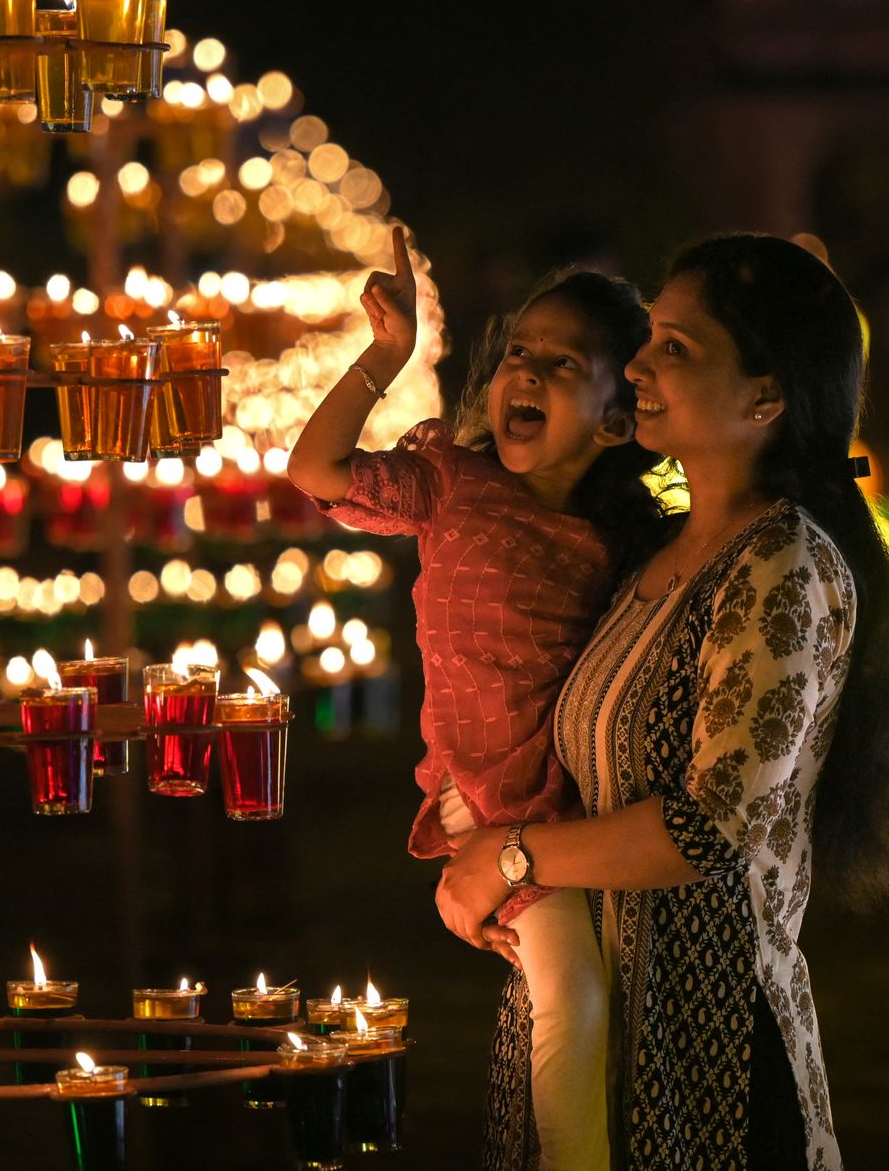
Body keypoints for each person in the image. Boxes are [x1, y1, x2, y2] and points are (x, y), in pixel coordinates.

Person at [437, 233, 889, 1170]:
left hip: (709, 1055)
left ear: (767, 396)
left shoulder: (783, 564)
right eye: (649, 340)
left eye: (678, 345)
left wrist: (508, 857)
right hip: (586, 1020)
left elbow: (710, 827)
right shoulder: (647, 547)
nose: (637, 364)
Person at [287, 226, 664, 1170]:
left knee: (594, 1010)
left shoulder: (628, 544)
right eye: (517, 355)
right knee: (570, 1006)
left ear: (618, 418)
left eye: (560, 362)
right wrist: (383, 358)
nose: (522, 373)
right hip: (493, 805)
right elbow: (317, 471)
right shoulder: (452, 484)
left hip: (568, 807)